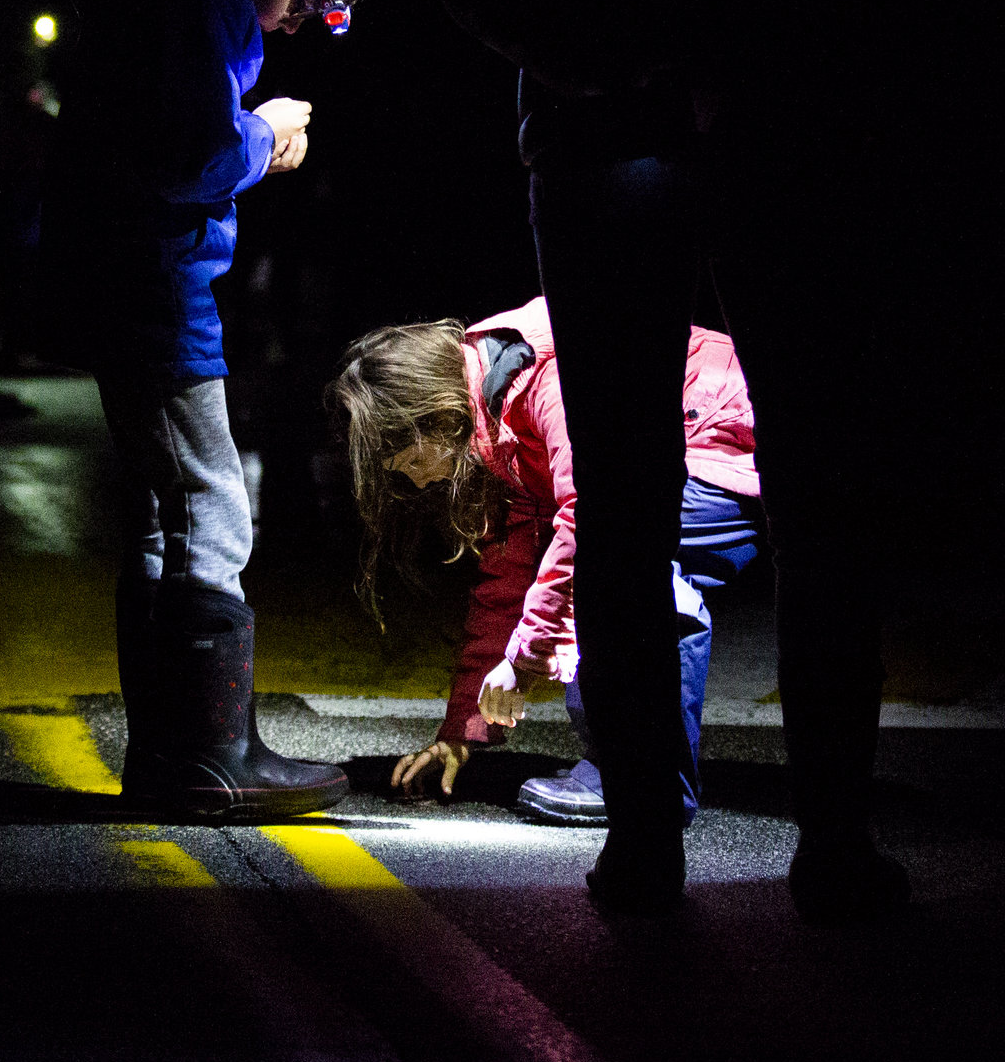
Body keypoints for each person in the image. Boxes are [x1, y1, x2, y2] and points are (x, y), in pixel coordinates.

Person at [432, 0, 912, 922]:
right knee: (817, 499)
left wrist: (587, 55)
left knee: (624, 502)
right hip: (776, 110)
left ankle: (647, 840)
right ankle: (829, 845)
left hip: (622, 123)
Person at [37, 0, 374, 820]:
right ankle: (212, 761)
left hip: (116, 275)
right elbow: (187, 154)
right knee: (210, 508)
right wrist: (261, 136)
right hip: (155, 283)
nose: (301, 23)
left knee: (158, 517)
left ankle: (169, 754)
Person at [325, 297, 763, 824]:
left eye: (414, 462)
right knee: (608, 560)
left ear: (436, 417)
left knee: (613, 562)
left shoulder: (540, 376)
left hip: (733, 433)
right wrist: (463, 732)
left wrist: (524, 658)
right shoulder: (494, 411)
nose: (418, 482)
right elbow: (505, 583)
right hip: (697, 444)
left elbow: (591, 514)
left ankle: (640, 781)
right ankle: (635, 770)